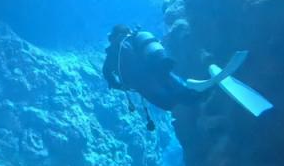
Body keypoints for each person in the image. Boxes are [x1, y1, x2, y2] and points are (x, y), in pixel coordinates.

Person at [103, 25, 272, 126]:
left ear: (114, 36)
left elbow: (108, 74)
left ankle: (200, 93)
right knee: (183, 91)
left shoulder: (114, 51)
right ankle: (202, 91)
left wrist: (121, 85)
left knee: (169, 102)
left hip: (142, 83)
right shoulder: (135, 39)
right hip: (158, 69)